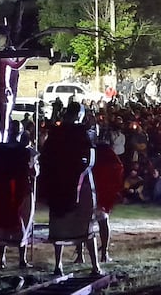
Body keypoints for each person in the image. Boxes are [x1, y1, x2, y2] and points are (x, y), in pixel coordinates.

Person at [40, 103, 102, 276]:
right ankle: (94, 266)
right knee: (85, 223)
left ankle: (59, 265)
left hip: (60, 184)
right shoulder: (82, 133)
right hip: (77, 183)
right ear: (79, 115)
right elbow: (90, 159)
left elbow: (46, 157)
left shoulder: (56, 132)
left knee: (64, 223)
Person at [0, 129, 39, 269]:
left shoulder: (1, 150)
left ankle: (3, 259)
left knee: (7, 223)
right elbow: (34, 172)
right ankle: (20, 260)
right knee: (22, 222)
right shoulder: (25, 151)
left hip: (5, 191)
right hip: (21, 190)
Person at [75, 139, 123, 264]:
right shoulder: (86, 150)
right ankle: (91, 254)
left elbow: (116, 167)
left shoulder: (102, 151)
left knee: (89, 222)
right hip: (91, 191)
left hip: (96, 191)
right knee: (89, 223)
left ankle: (97, 254)